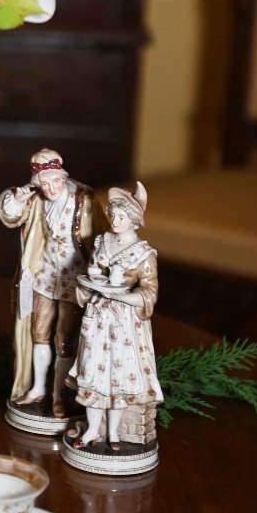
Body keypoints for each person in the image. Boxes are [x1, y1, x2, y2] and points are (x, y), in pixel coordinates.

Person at [0, 148, 100, 420]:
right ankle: (38, 388)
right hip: (45, 276)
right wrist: (19, 199)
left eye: (55, 181)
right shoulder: (38, 200)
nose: (51, 188)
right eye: (44, 183)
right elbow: (11, 215)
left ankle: (60, 395)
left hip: (75, 280)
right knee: (39, 333)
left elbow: (98, 238)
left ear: (63, 178)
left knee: (64, 340)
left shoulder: (84, 200)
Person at [70, 183, 162, 450]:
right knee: (93, 374)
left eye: (121, 217)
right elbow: (91, 272)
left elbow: (149, 292)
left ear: (134, 220)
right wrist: (94, 282)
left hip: (123, 324)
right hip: (98, 319)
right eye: (113, 215)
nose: (115, 220)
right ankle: (90, 432)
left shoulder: (144, 255)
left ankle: (113, 433)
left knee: (117, 378)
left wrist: (122, 295)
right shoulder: (101, 241)